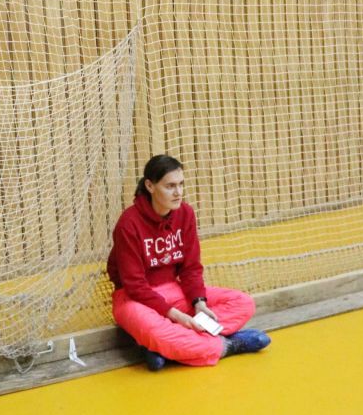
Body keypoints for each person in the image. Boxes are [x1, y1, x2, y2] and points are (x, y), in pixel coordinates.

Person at [107, 154, 271, 371]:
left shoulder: (185, 213)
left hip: (173, 290)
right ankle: (229, 345)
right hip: (134, 299)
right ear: (150, 186)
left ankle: (162, 348)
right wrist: (177, 316)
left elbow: (191, 268)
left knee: (243, 303)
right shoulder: (128, 223)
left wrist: (199, 303)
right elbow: (135, 286)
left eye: (181, 184)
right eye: (170, 186)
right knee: (157, 331)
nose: (178, 192)